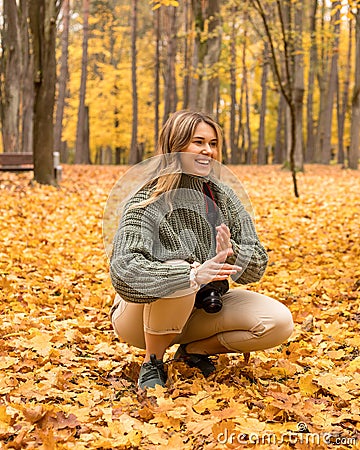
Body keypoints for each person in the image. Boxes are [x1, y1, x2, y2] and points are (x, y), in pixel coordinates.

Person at [109, 110, 293, 390]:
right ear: (176, 145)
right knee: (181, 272)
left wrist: (231, 252)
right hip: (139, 317)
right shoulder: (147, 198)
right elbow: (124, 271)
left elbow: (257, 266)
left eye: (213, 143)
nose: (208, 150)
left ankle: (195, 352)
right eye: (198, 142)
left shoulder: (223, 196)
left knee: (279, 322)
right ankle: (152, 362)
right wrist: (192, 274)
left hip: (199, 311)